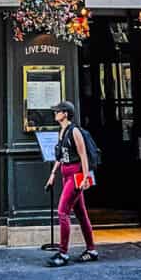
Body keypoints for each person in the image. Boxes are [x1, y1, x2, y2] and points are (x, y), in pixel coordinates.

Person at [45, 100, 98, 267]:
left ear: (65, 113)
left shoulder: (74, 131)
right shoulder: (61, 131)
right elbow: (60, 157)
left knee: (62, 212)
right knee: (81, 214)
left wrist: (84, 177)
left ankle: (63, 253)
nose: (55, 113)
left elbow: (82, 155)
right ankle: (91, 250)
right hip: (65, 174)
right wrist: (53, 174)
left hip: (75, 176)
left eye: (58, 111)